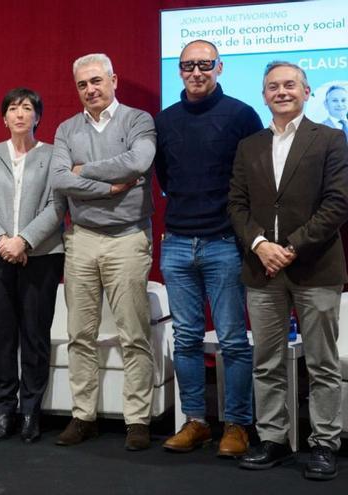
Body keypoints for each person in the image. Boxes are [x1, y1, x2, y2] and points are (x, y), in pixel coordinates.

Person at [229, 61, 348, 481]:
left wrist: (292, 247)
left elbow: (338, 203)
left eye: (290, 85)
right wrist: (261, 245)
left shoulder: (332, 139)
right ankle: (274, 439)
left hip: (316, 268)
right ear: (263, 96)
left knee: (322, 363)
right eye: (273, 87)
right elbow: (237, 205)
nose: (281, 92)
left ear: (306, 90)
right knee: (267, 362)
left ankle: (324, 443)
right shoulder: (249, 146)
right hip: (262, 270)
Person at [154, 39, 262, 457]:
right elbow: (166, 177)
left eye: (204, 64)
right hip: (178, 243)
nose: (196, 72)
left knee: (234, 340)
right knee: (185, 339)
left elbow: (256, 177)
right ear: (179, 70)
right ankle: (196, 421)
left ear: (220, 67)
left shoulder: (241, 115)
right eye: (187, 65)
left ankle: (237, 425)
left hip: (224, 244)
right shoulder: (165, 121)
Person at [51, 53, 157, 451]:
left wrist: (84, 171)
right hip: (81, 239)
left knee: (134, 333)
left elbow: (140, 160)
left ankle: (137, 420)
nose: (90, 90)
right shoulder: (66, 129)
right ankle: (83, 416)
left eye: (96, 81)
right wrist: (111, 185)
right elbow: (60, 178)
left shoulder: (138, 120)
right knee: (80, 333)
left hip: (128, 237)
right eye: (82, 85)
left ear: (113, 79)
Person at [0, 88, 66, 443]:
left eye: (27, 108)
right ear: (3, 117)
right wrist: (1, 241)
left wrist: (24, 240)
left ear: (38, 116)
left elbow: (57, 206)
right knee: (1, 336)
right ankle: (5, 410)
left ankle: (31, 411)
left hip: (41, 256)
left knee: (35, 336)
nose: (20, 114)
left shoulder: (54, 156)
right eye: (13, 108)